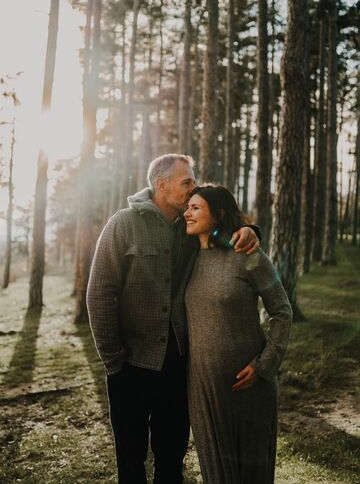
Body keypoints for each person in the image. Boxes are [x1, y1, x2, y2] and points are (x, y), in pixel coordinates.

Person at [86, 154, 260, 484]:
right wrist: (114, 361)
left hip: (178, 368)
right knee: (130, 461)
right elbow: (99, 294)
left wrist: (251, 232)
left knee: (171, 461)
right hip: (129, 368)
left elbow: (231, 235)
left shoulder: (191, 225)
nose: (193, 188)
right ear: (162, 186)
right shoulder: (123, 224)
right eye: (187, 182)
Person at [184, 184, 292, 484]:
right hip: (204, 391)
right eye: (186, 207)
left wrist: (265, 366)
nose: (187, 214)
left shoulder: (248, 255)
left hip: (250, 388)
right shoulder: (186, 256)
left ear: (218, 214)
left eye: (195, 208)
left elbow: (282, 311)